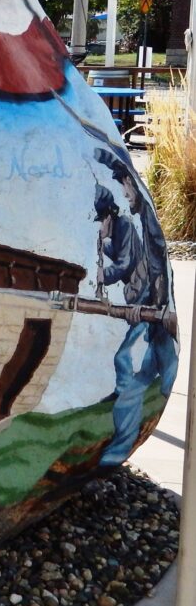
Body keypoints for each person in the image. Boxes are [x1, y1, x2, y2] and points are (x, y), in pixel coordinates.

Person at [93, 150, 177, 466]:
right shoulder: (122, 228)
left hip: (149, 301)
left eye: (126, 188)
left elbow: (130, 262)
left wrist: (107, 274)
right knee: (161, 357)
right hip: (145, 301)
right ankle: (147, 395)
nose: (127, 194)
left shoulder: (129, 224)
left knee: (127, 358)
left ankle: (119, 443)